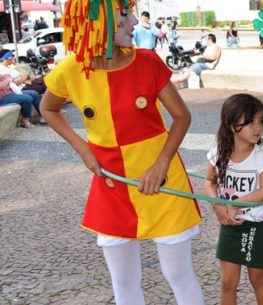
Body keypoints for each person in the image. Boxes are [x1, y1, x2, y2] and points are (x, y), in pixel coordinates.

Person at [39, 1, 204, 304]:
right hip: (112, 182)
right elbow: (47, 108)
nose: (133, 23)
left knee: (178, 274)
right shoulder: (72, 70)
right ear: (98, 23)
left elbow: (182, 117)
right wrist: (84, 150)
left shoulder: (148, 61)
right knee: (124, 281)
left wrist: (162, 163)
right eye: (124, 15)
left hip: (162, 180)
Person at [203, 94, 263, 305]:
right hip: (229, 225)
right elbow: (209, 182)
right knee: (227, 282)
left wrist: (234, 203)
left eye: (260, 122)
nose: (257, 128)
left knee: (257, 279)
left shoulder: (262, 156)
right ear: (232, 123)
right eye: (250, 122)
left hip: (255, 225)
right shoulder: (218, 153)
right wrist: (218, 206)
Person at [0, 51, 42, 128]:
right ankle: (25, 120)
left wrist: (9, 79)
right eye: (11, 56)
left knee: (34, 93)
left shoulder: (10, 67)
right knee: (27, 98)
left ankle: (44, 115)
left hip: (12, 91)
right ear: (6, 58)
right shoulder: (2, 69)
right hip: (3, 96)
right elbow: (5, 83)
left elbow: (11, 80)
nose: (13, 57)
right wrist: (9, 80)